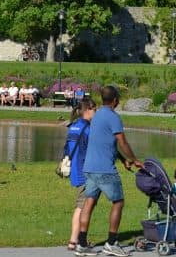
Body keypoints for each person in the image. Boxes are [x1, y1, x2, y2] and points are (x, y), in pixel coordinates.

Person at [76, 86, 142, 257]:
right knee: (118, 202)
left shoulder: (96, 116)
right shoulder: (113, 117)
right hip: (105, 170)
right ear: (115, 100)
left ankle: (81, 244)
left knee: (89, 203)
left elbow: (107, 143)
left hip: (89, 168)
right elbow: (122, 142)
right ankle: (111, 243)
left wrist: (123, 160)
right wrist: (134, 160)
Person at [66, 97, 97, 252]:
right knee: (82, 207)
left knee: (81, 205)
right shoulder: (88, 129)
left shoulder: (73, 126)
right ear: (88, 110)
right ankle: (74, 240)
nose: (96, 112)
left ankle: (76, 238)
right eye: (94, 109)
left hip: (75, 171)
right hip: (85, 171)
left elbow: (67, 149)